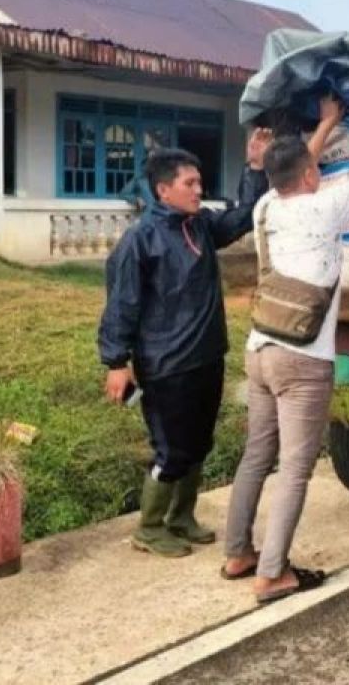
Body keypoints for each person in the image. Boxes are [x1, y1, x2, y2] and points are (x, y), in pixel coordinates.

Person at [222, 96, 349, 603]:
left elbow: (296, 167)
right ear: (311, 175)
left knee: (257, 454)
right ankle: (272, 573)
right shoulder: (325, 207)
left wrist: (324, 125)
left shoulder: (266, 207)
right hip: (303, 359)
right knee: (295, 466)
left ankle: (238, 553)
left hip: (260, 350)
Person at [98, 134, 270, 557]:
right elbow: (122, 303)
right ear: (163, 190)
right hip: (165, 366)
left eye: (199, 183)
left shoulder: (201, 227)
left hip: (206, 358)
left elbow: (244, 216)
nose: (199, 190)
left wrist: (255, 167)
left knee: (199, 443)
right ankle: (150, 526)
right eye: (190, 184)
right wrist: (117, 362)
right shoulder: (141, 241)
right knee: (171, 448)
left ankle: (181, 517)